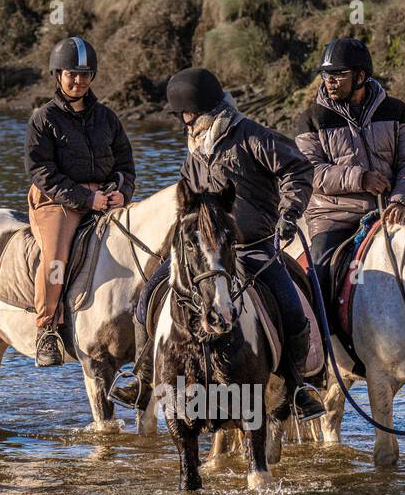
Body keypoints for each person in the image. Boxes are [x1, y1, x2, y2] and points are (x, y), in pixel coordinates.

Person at [113, 67, 324, 420]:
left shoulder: (254, 137)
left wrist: (289, 212)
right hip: (205, 257)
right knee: (147, 296)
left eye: (184, 114)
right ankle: (143, 378)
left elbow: (298, 169)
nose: (183, 121)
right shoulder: (195, 151)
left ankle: (298, 386)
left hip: (252, 246)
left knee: (292, 311)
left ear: (199, 111)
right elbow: (187, 202)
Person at [295, 37, 405, 307]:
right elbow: (312, 172)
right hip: (335, 215)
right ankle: (323, 342)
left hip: (393, 210)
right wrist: (360, 178)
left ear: (360, 76)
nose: (329, 81)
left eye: (338, 75)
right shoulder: (311, 118)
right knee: (320, 269)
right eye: (326, 75)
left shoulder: (396, 111)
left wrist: (402, 200)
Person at [24, 36, 136, 366]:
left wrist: (121, 191)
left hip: (105, 196)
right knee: (57, 255)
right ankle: (46, 330)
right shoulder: (43, 119)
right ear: (58, 75)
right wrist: (87, 199)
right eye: (71, 74)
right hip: (57, 199)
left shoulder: (107, 118)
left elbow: (125, 163)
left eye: (84, 75)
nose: (78, 81)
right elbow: (41, 172)